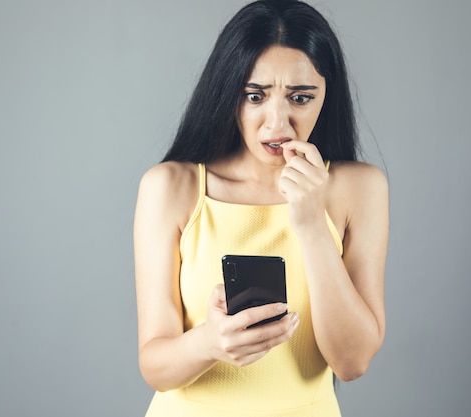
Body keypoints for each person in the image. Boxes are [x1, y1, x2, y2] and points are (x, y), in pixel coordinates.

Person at [133, 0, 388, 415]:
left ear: (327, 95)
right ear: (228, 93)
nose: (277, 123)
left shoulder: (359, 188)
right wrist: (210, 342)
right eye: (255, 96)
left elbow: (353, 361)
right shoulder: (171, 187)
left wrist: (309, 222)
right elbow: (155, 366)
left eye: (301, 98)